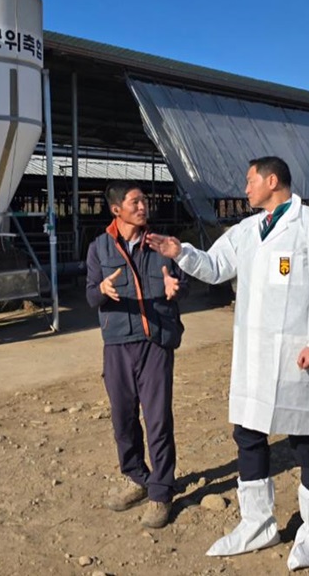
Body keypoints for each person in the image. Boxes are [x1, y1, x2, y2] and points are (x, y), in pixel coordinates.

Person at [146, 156, 309, 570]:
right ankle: (257, 522)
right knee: (248, 433)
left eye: (250, 181)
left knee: (304, 435)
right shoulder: (247, 230)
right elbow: (217, 267)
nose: (245, 188)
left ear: (273, 181)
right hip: (253, 352)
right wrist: (180, 251)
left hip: (295, 352)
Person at [86, 180, 189, 529]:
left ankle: (161, 492)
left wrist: (176, 288)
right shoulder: (99, 249)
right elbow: (90, 297)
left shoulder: (161, 246)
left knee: (158, 419)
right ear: (117, 209)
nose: (143, 206)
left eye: (144, 201)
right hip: (117, 344)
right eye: (135, 202)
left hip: (155, 341)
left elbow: (178, 281)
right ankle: (136, 477)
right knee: (123, 419)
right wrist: (101, 289)